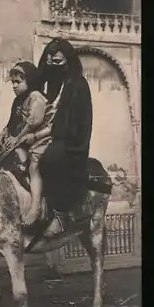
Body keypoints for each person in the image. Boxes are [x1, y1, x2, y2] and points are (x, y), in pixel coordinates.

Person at [0, 61, 52, 227]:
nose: (14, 85)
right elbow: (12, 122)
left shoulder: (36, 97)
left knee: (34, 163)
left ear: (30, 80)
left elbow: (32, 123)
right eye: (13, 82)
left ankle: (35, 205)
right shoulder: (18, 100)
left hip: (41, 136)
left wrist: (16, 139)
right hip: (22, 137)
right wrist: (4, 133)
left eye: (18, 82)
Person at [37, 38, 93, 217]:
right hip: (49, 133)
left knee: (49, 158)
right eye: (52, 62)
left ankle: (58, 212)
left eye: (59, 62)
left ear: (69, 60)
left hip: (70, 140)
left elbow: (77, 124)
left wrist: (50, 134)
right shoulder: (53, 85)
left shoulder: (78, 85)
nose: (55, 66)